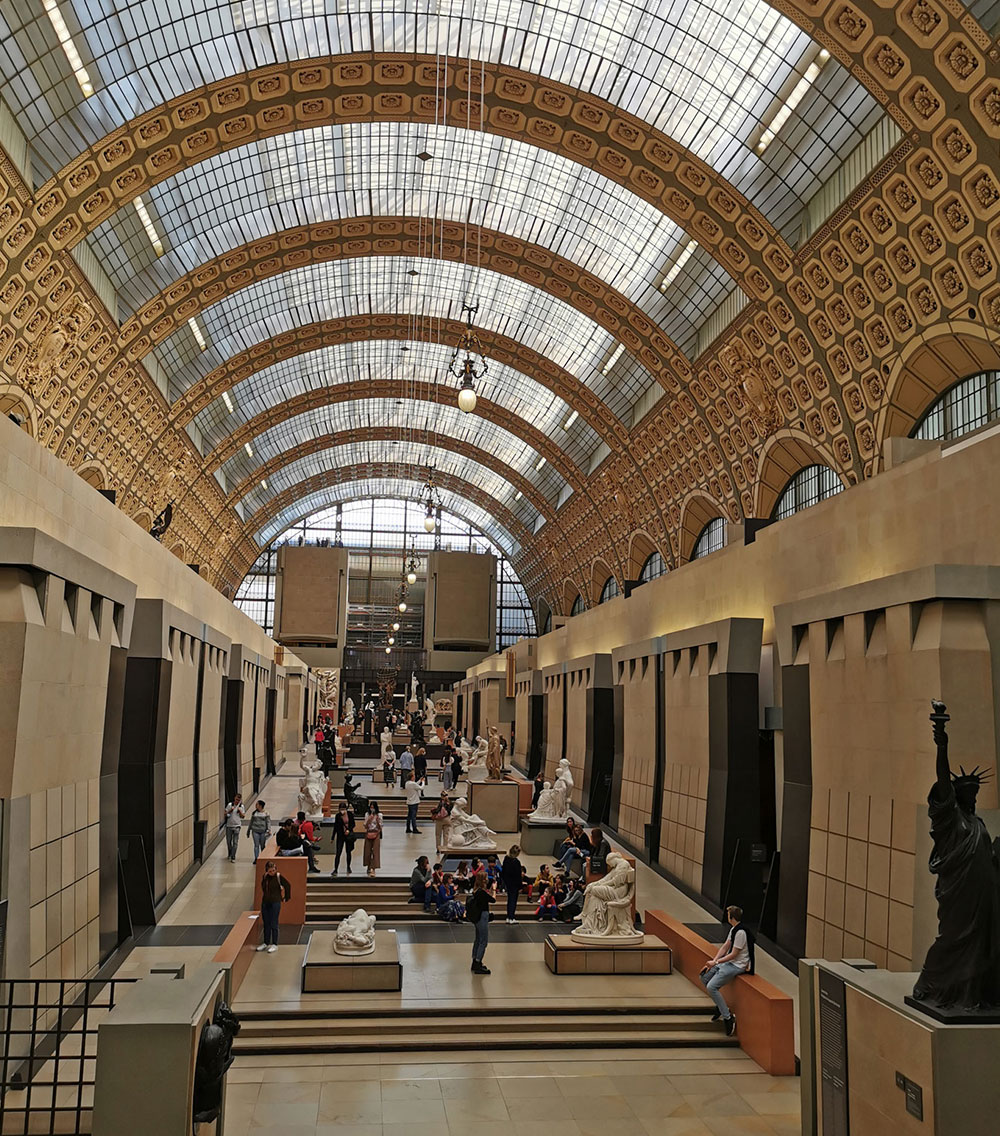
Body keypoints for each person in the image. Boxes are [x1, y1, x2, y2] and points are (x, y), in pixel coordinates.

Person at [699, 905, 754, 1037]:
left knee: (712, 987)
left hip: (736, 966)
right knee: (704, 977)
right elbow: (725, 947)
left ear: (732, 917)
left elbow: (734, 954)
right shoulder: (734, 929)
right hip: (728, 963)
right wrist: (713, 961)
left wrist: (716, 962)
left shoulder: (741, 933)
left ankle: (728, 1018)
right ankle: (720, 1006)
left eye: (728, 914)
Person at [257, 861, 290, 954]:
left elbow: (287, 885)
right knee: (266, 923)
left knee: (274, 923)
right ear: (267, 871)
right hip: (265, 902)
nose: (272, 872)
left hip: (275, 902)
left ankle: (275, 943)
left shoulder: (278, 877)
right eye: (270, 871)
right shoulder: (265, 877)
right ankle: (266, 942)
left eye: (274, 870)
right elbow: (263, 887)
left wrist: (285, 897)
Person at [466, 871, 495, 975]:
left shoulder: (476, 891)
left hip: (478, 918)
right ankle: (478, 962)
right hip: (482, 917)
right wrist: (494, 889)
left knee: (478, 939)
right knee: (483, 941)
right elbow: (493, 900)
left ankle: (475, 960)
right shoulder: (481, 893)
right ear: (483, 880)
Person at [501, 844, 527, 924]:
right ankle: (511, 917)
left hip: (508, 883)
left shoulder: (506, 859)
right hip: (514, 885)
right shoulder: (516, 862)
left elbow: (504, 872)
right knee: (513, 901)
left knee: (510, 900)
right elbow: (518, 876)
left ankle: (509, 917)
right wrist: (520, 886)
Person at [330, 801, 356, 876]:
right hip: (340, 836)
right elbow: (335, 827)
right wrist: (332, 837)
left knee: (348, 852)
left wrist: (348, 830)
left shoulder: (350, 814)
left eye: (343, 809)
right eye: (341, 809)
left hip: (348, 836)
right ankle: (335, 869)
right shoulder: (338, 816)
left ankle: (348, 867)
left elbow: (353, 824)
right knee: (338, 853)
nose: (342, 810)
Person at [362, 802, 383, 878]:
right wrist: (369, 819)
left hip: (376, 833)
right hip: (368, 833)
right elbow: (365, 826)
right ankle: (368, 865)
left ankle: (373, 868)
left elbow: (381, 827)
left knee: (375, 852)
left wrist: (377, 820)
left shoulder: (379, 815)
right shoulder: (367, 815)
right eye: (371, 807)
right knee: (367, 851)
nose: (372, 809)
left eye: (373, 807)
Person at [224, 794, 244, 862]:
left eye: (239, 800)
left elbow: (243, 816)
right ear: (234, 798)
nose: (237, 801)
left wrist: (240, 811)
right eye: (236, 800)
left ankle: (233, 856)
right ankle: (230, 852)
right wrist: (230, 810)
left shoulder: (241, 806)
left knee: (235, 842)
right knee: (229, 841)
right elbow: (225, 814)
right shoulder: (230, 805)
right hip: (229, 826)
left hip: (237, 826)